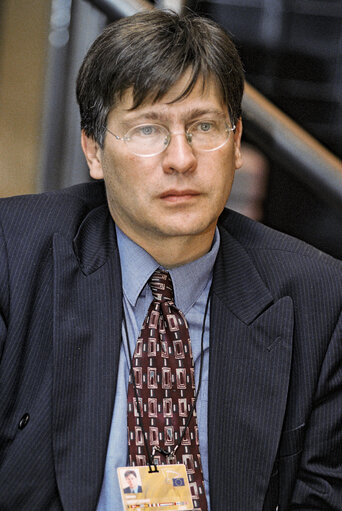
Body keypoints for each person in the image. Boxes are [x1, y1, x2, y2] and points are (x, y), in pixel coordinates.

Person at [0, 9, 341, 511]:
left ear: (238, 143)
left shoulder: (317, 295)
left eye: (203, 126)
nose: (181, 158)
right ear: (94, 151)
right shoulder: (13, 256)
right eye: (147, 129)